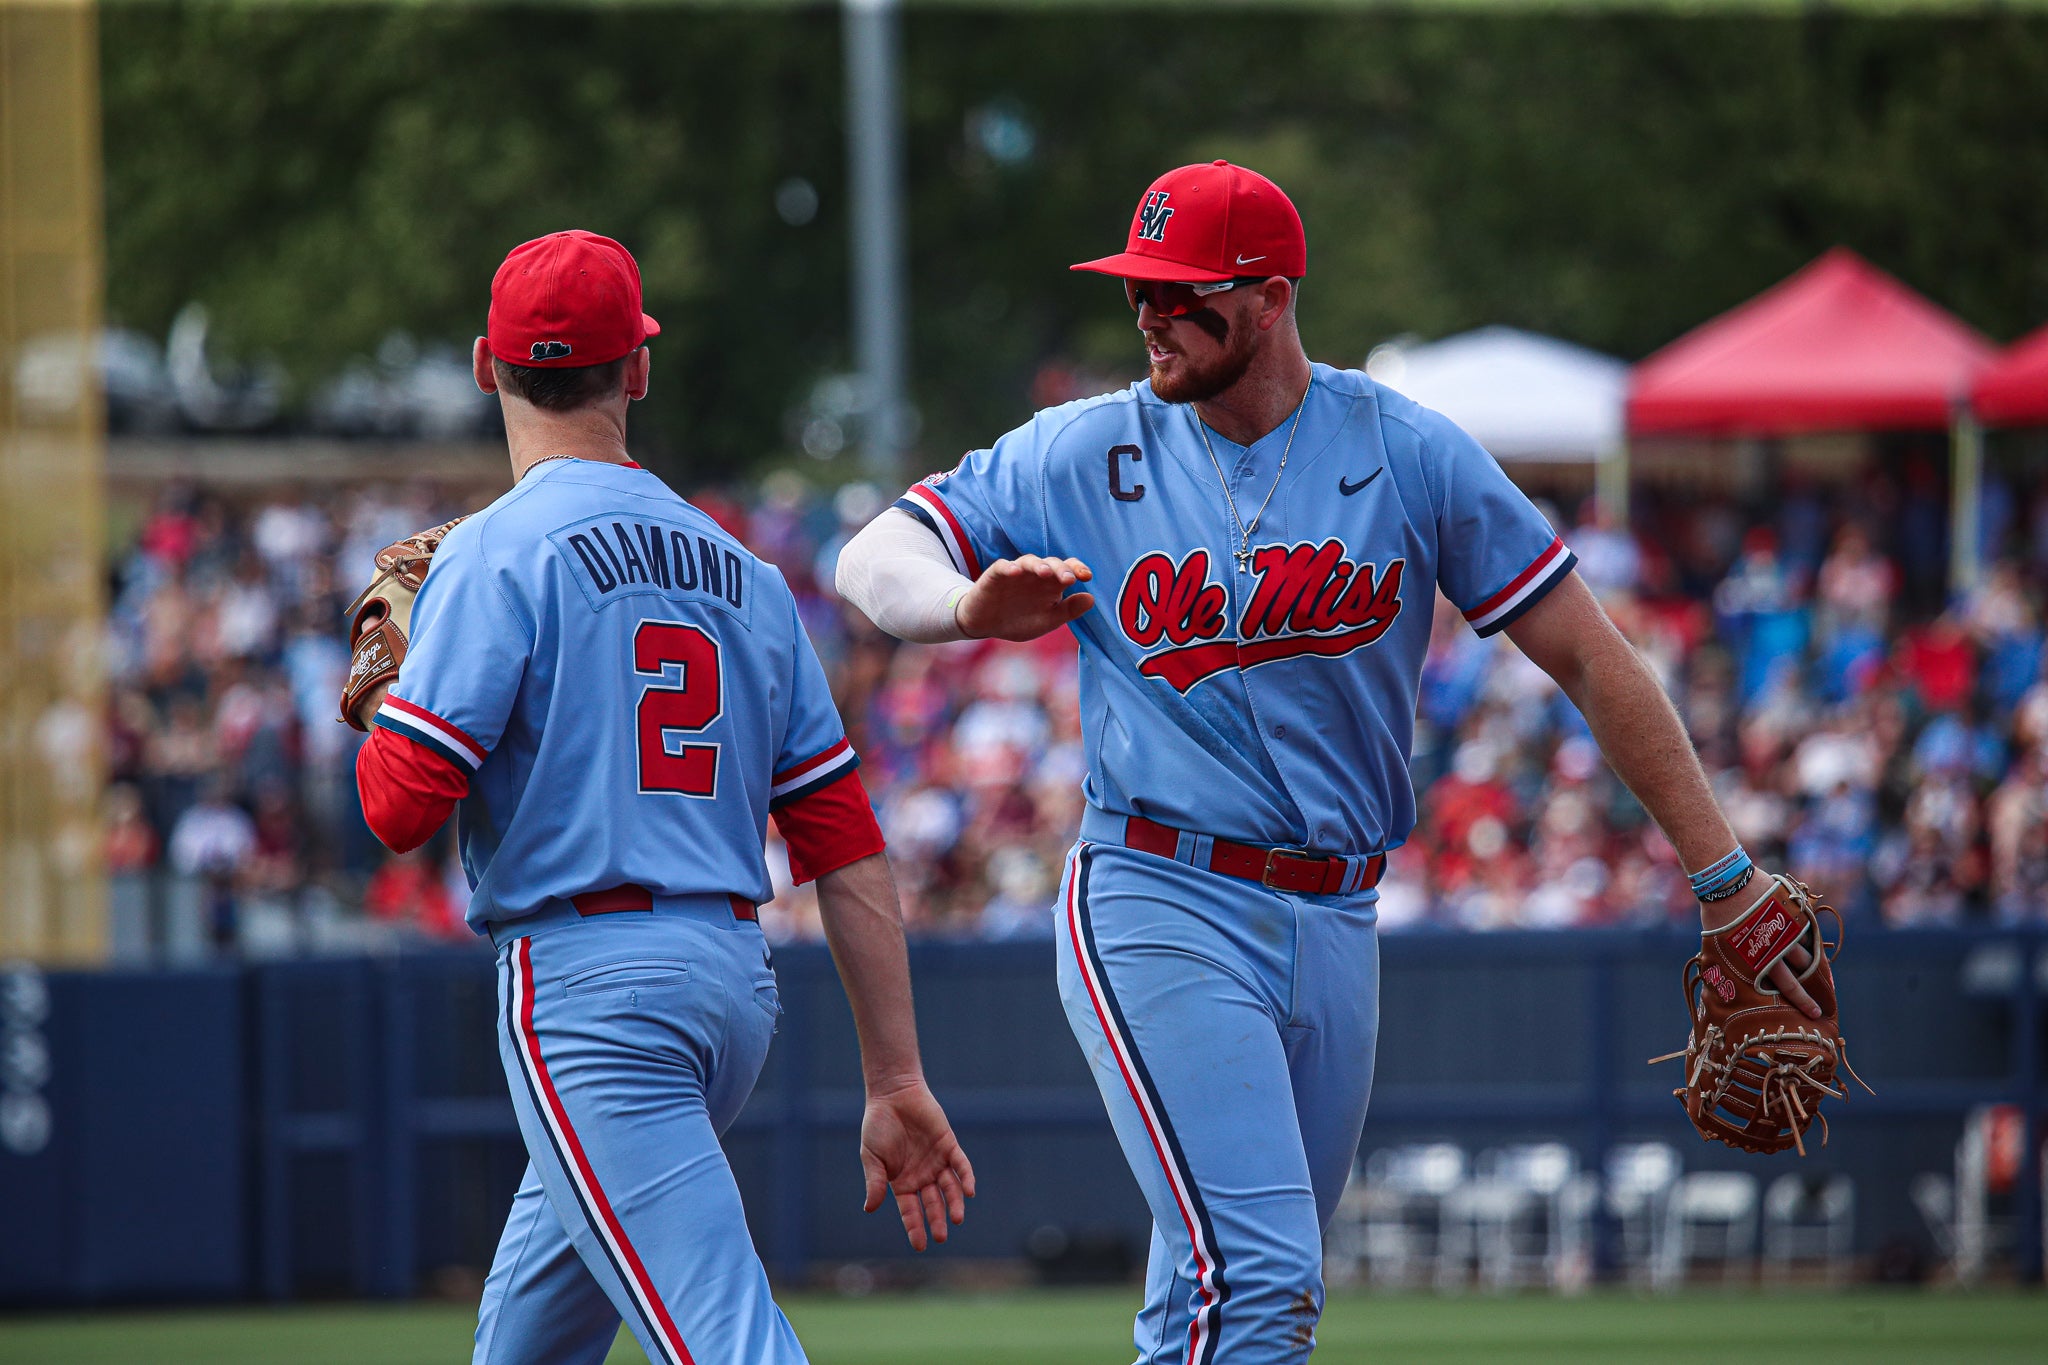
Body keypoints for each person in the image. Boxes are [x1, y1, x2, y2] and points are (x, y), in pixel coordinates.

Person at [835, 161, 1824, 1363]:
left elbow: (1588, 655)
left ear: (1269, 297)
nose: (1145, 312)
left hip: (1338, 916)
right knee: (1253, 1277)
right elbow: (870, 556)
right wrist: (960, 605)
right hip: (1160, 893)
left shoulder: (1403, 449)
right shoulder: (1083, 452)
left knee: (1231, 1301)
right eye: (1135, 288)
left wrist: (1721, 875)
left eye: (1179, 290)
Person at [346, 230, 973, 1365]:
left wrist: (389, 682)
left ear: (486, 366)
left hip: (590, 996)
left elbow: (396, 813)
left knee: (726, 1342)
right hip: (727, 985)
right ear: (638, 368)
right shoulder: (742, 569)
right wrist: (893, 1073)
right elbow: (841, 840)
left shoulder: (491, 555)